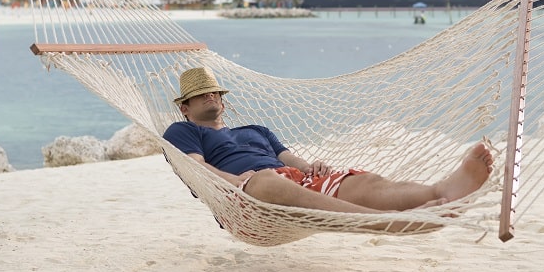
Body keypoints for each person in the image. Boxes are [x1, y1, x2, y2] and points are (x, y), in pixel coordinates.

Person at [163, 67, 494, 220]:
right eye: (199, 94)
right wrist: (240, 182)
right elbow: (198, 168)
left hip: (293, 183)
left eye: (214, 92)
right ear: (185, 107)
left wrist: (312, 168)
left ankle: (440, 193)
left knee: (363, 181)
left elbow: (292, 160)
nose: (210, 95)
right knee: (266, 179)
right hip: (246, 197)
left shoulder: (257, 130)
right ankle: (390, 222)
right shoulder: (183, 131)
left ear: (222, 101)